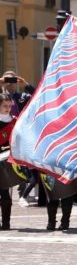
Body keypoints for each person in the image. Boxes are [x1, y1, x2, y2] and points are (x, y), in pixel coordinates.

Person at [0, 94, 16, 230]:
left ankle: (6, 223)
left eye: (10, 106)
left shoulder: (15, 121)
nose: (8, 108)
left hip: (6, 161)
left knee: (5, 192)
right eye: (5, 106)